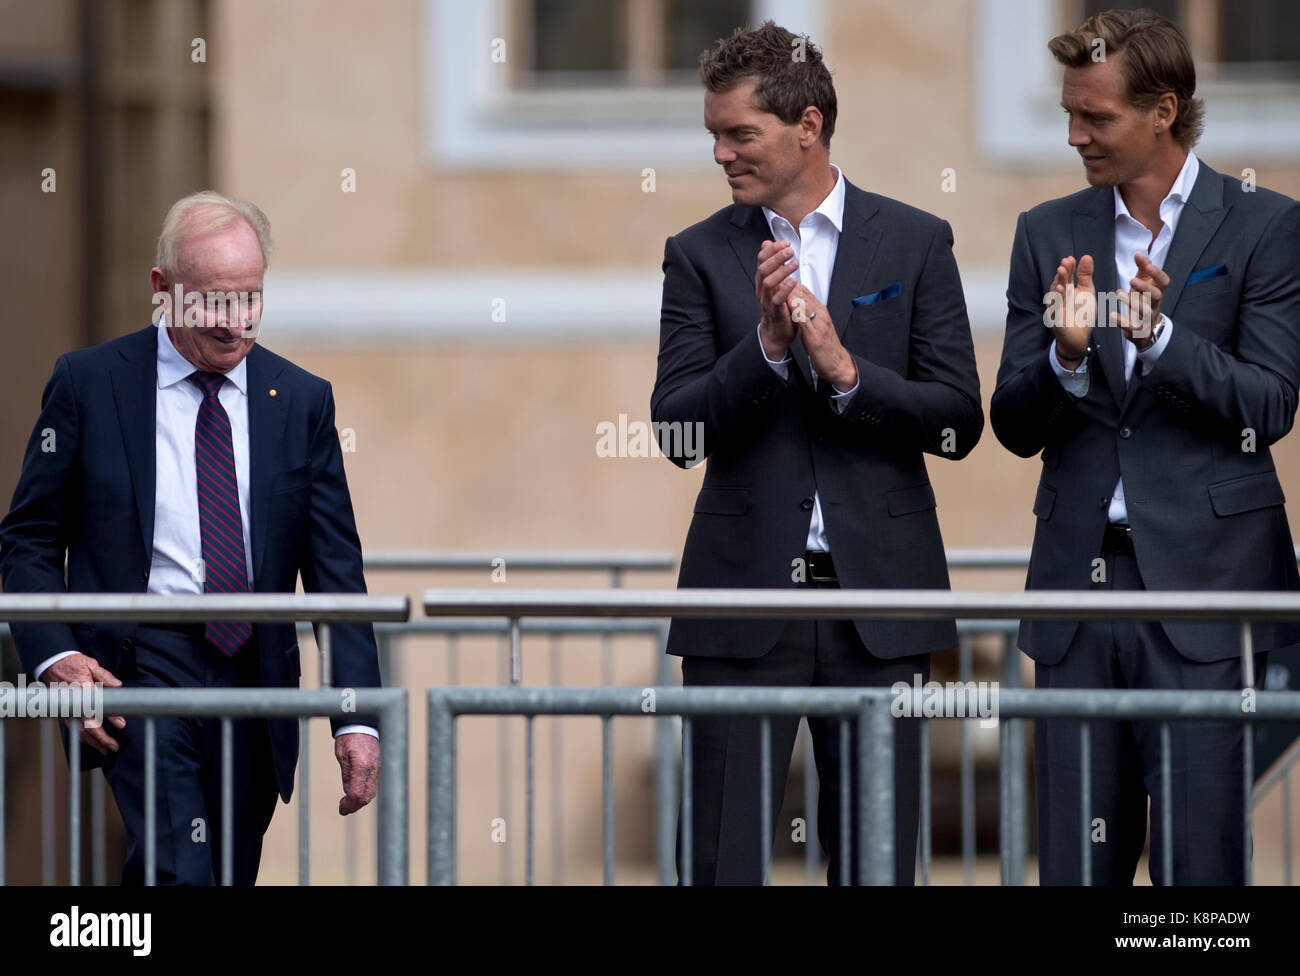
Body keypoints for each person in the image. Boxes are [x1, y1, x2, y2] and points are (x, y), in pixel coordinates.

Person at [651, 21, 983, 884]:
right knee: (720, 862)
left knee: (877, 865)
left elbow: (957, 421)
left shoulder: (917, 243)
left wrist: (846, 374)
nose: (721, 154)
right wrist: (761, 352)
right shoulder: (696, 255)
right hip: (739, 607)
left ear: (807, 125)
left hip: (884, 609)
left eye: (740, 134)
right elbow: (676, 432)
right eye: (714, 136)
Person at [990, 9, 1300, 884]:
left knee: (1199, 878)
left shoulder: (1264, 226)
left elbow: (1270, 405)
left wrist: (1162, 341)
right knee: (1076, 868)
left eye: (1096, 118)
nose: (1074, 136)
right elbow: (1011, 423)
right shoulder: (1046, 233)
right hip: (1077, 599)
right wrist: (1069, 354)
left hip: (1210, 593)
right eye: (1068, 114)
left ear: (1164, 110)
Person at [0, 191, 383, 884]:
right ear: (162, 290)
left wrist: (356, 716)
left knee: (220, 874)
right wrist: (56, 657)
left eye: (251, 300)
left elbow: (335, 572)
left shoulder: (300, 401)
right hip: (140, 663)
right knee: (182, 867)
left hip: (255, 675)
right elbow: (26, 538)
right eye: (213, 302)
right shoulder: (89, 385)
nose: (236, 325)